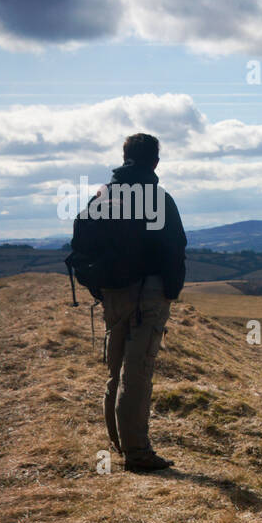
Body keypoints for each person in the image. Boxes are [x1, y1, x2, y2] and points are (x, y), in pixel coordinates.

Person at [74, 133, 187, 472]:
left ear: (124, 158)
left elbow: (82, 245)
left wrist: (100, 286)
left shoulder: (103, 197)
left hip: (113, 293)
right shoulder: (157, 197)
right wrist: (170, 290)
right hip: (148, 294)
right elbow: (174, 247)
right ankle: (137, 453)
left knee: (117, 368)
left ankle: (120, 443)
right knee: (137, 372)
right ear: (155, 161)